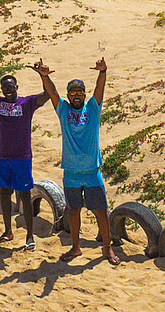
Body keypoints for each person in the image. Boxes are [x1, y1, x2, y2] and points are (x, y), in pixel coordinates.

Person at [33, 56, 120, 265]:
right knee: (73, 211)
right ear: (69, 96)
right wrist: (44, 77)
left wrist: (103, 72)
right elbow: (52, 93)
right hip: (71, 171)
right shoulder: (63, 110)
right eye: (72, 93)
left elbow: (100, 90)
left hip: (92, 170)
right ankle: (75, 247)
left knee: (101, 211)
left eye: (79, 92)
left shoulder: (92, 109)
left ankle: (107, 249)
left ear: (84, 94)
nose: (76, 96)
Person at [0, 62, 50, 250]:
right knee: (4, 194)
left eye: (11, 86)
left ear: (16, 87)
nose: (8, 90)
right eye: (5, 87)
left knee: (24, 196)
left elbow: (47, 95)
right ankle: (8, 231)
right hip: (2, 157)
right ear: (1, 89)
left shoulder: (27, 103)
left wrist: (43, 75)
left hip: (22, 158)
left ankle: (29, 235)